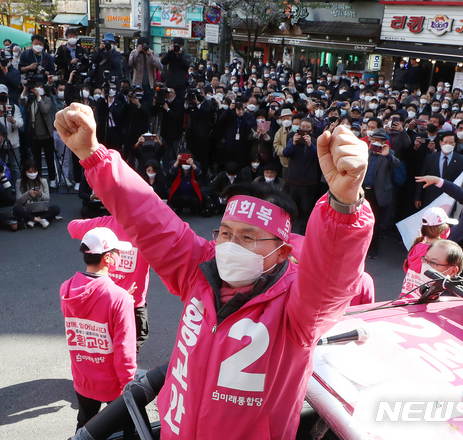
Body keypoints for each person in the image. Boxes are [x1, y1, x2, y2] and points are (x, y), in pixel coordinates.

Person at [55, 103, 372, 440]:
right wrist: (92, 154)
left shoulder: (299, 310)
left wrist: (343, 204)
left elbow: (331, 276)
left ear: (283, 252)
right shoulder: (199, 268)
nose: (231, 245)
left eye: (248, 237)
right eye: (226, 233)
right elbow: (146, 214)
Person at [60, 227, 137, 431]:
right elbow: (125, 351)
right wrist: (129, 384)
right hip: (114, 386)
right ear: (109, 258)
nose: (120, 256)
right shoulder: (118, 297)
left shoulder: (66, 288)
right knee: (127, 427)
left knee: (86, 425)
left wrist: (121, 299)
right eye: (118, 253)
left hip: (83, 378)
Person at [69, 216, 153, 352]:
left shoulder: (103, 224)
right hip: (132, 302)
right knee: (130, 346)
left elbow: (72, 227)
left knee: (102, 345)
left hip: (102, 300)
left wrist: (97, 225)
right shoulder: (150, 229)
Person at [400, 207, 458, 298]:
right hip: (422, 302)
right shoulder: (439, 253)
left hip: (405, 297)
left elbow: (407, 267)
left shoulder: (417, 246)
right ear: (443, 230)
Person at [362, 128, 400, 259]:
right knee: (360, 220)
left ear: (384, 142)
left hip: (377, 193)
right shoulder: (364, 152)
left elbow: (396, 163)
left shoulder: (388, 153)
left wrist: (387, 154)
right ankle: (360, 247)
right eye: (374, 140)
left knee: (375, 222)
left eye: (380, 141)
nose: (376, 143)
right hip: (362, 191)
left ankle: (373, 248)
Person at [414, 132, 463, 209]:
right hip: (430, 197)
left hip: (449, 198)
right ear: (440, 143)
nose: (448, 144)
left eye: (451, 143)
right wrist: (418, 197)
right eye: (445, 142)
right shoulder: (430, 158)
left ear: (454, 144)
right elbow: (423, 176)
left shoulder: (462, 160)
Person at [13, 161, 61, 229]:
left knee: (56, 208)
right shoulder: (19, 182)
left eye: (34, 171)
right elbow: (19, 200)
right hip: (27, 209)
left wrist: (40, 194)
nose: (32, 174)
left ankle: (33, 219)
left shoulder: (43, 181)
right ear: (25, 171)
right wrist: (28, 194)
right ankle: (40, 220)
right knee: (16, 209)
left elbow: (47, 198)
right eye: (30, 171)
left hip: (40, 209)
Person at [128, 37, 162, 112]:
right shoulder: (134, 52)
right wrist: (137, 52)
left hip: (149, 84)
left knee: (148, 106)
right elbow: (130, 63)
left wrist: (149, 55)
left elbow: (158, 66)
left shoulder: (153, 53)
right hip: (137, 83)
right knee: (136, 106)